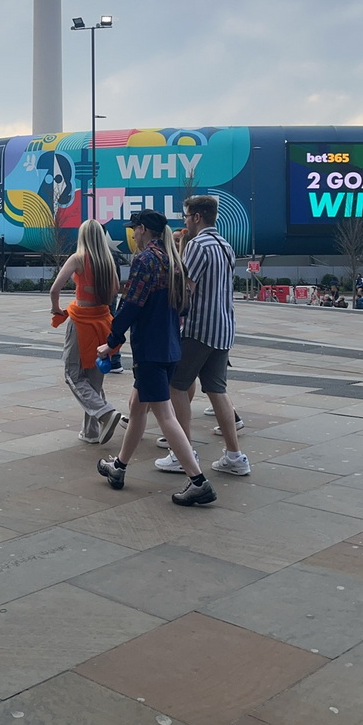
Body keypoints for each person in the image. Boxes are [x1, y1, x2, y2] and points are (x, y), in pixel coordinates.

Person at [96, 209, 218, 507]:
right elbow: (184, 306)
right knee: (137, 407)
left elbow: (131, 304)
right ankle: (119, 467)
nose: (132, 234)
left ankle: (198, 481)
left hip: (150, 348)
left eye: (134, 229)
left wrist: (111, 341)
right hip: (170, 346)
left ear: (143, 229)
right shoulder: (172, 260)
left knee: (164, 415)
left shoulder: (146, 260)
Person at [164, 195, 250, 478]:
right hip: (223, 328)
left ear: (197, 217)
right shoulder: (226, 246)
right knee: (217, 390)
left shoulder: (198, 246)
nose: (185, 221)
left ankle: (183, 453)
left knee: (176, 386)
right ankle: (235, 456)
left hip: (199, 328)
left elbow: (185, 288)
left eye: (187, 216)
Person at [50, 218, 122, 445]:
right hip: (103, 321)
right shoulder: (108, 260)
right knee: (94, 378)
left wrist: (55, 308)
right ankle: (90, 431)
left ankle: (104, 413)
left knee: (72, 374)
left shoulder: (78, 258)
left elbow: (55, 288)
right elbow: (116, 289)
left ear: (82, 236)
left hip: (81, 321)